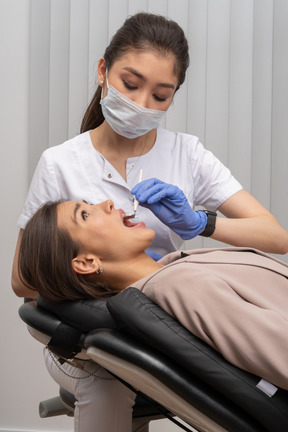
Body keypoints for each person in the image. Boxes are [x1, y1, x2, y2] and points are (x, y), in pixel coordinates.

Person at [11, 11, 288, 432]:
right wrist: (126, 288)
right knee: (107, 376)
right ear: (103, 71)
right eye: (130, 84)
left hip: (171, 315)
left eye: (161, 95)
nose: (142, 104)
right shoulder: (61, 163)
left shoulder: (187, 156)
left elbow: (273, 237)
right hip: (98, 329)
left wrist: (200, 223)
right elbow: (23, 279)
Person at [19, 198, 288, 393]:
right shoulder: (179, 286)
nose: (108, 203)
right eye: (86, 215)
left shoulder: (173, 269)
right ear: (87, 262)